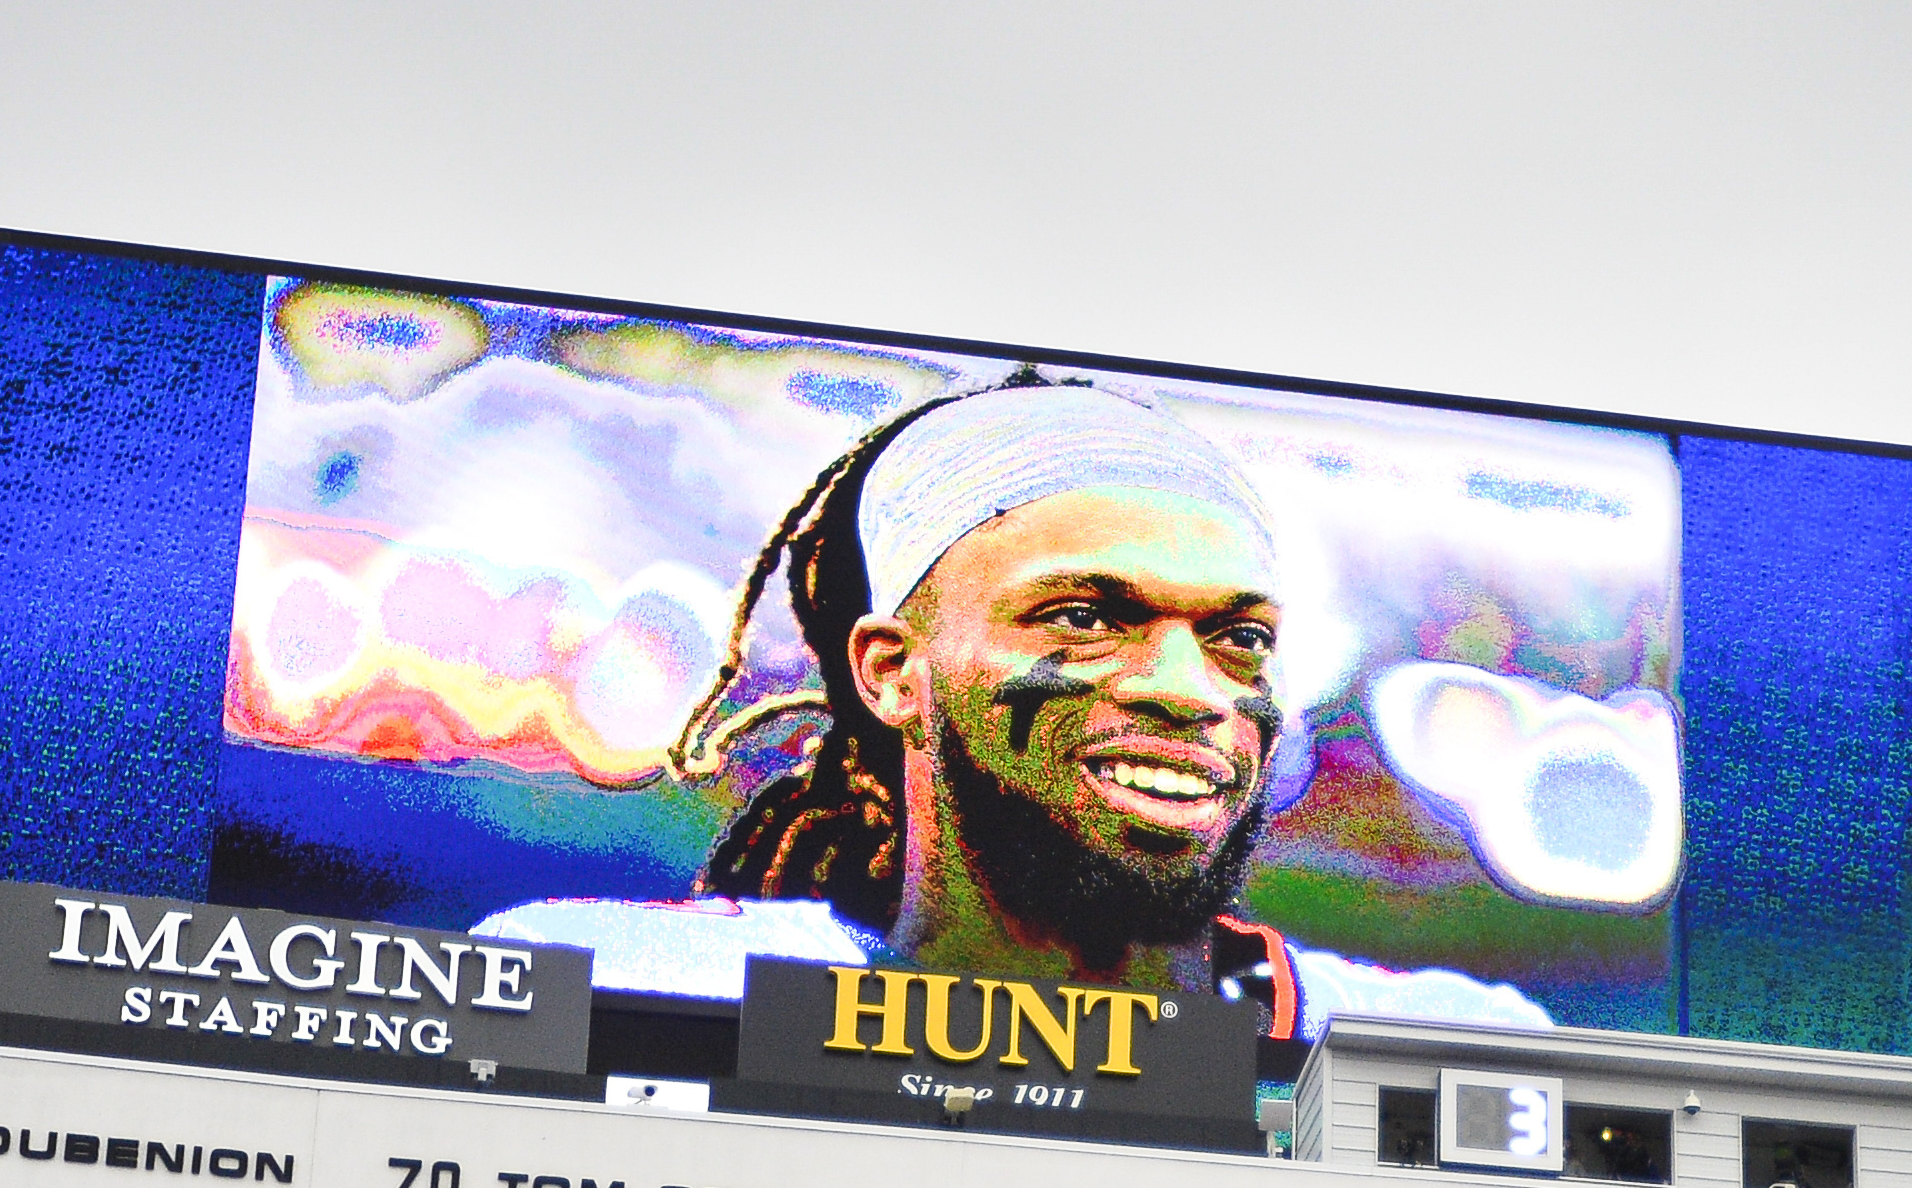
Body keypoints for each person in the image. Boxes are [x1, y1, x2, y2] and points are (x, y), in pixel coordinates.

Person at [636, 377, 1517, 1034]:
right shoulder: (656, 984)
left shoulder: (1451, 1043)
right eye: (1085, 617)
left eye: (1238, 638)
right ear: (891, 673)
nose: (1186, 690)